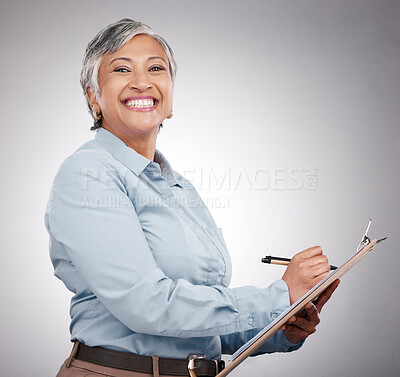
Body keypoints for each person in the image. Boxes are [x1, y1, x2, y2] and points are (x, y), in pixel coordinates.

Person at [45, 18, 340, 377]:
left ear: (169, 99)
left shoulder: (178, 187)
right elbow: (147, 305)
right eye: (122, 69)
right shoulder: (87, 174)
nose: (142, 81)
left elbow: (197, 329)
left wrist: (281, 325)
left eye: (156, 68)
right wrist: (278, 295)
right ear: (94, 97)